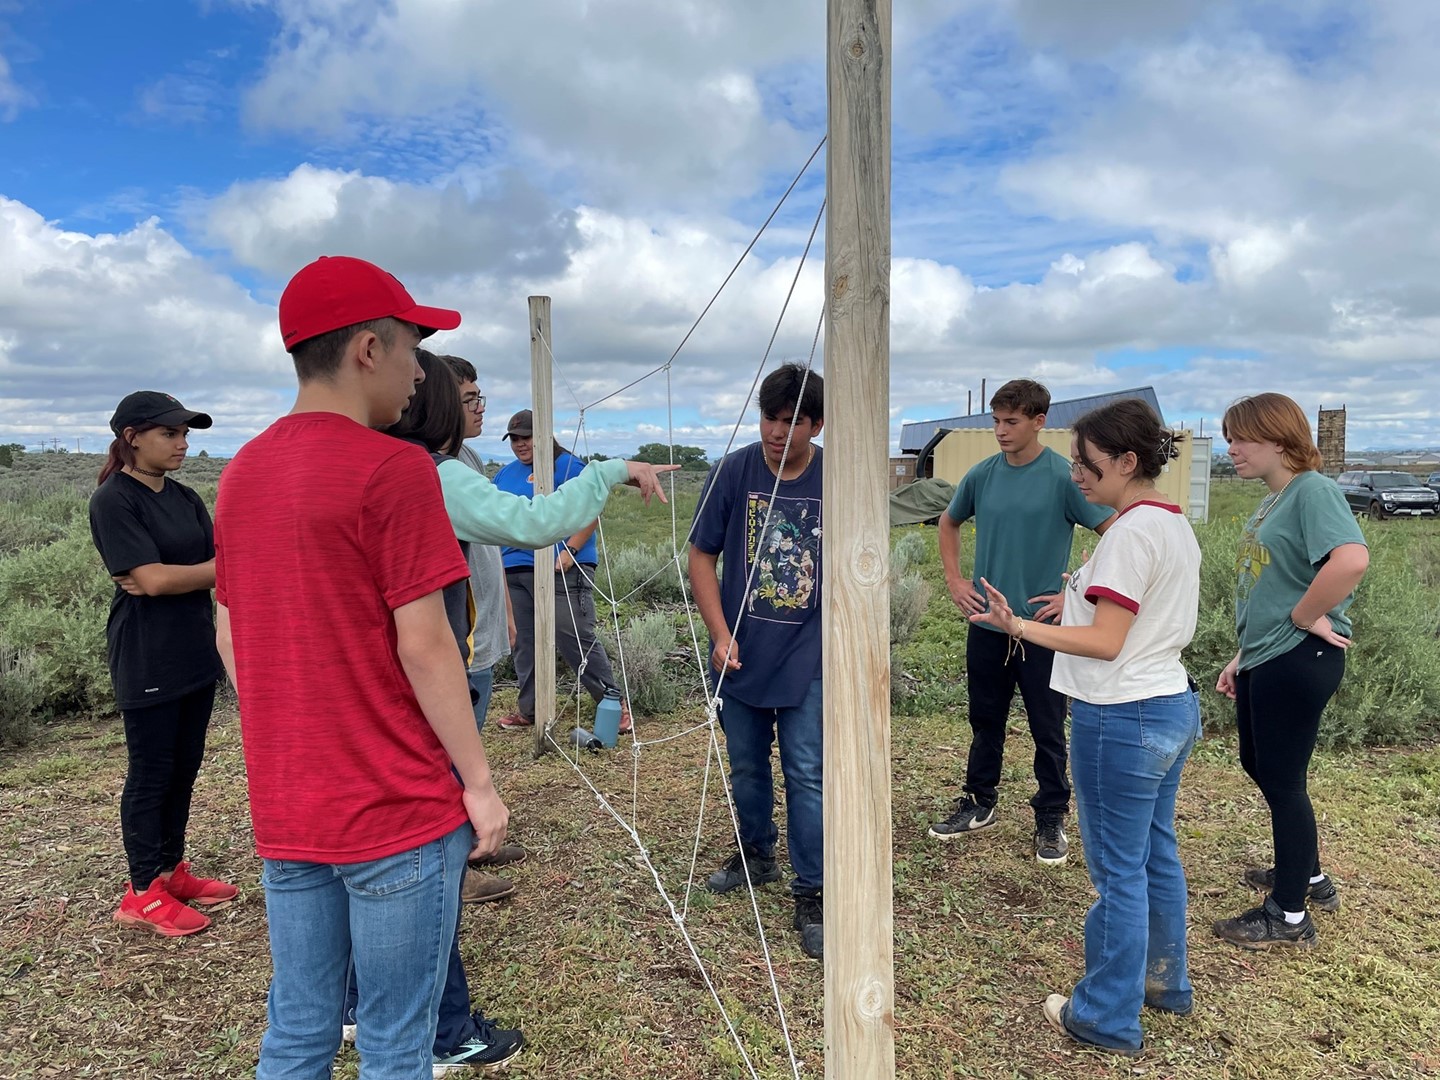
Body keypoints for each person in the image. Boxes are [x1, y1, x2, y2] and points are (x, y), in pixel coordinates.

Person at [342, 349, 677, 1072]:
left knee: (368, 856)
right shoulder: (429, 474)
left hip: (375, 685)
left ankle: (354, 1003)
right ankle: (443, 1029)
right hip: (432, 676)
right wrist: (614, 471)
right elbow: (535, 522)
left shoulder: (363, 463)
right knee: (423, 851)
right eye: (465, 397)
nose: (480, 411)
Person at [216, 255, 508, 1079]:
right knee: (393, 1041)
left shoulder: (241, 474)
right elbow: (426, 644)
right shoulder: (396, 468)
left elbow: (232, 635)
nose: (424, 372)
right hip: (395, 810)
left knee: (300, 1028)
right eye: (416, 347)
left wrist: (298, 729)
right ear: (368, 350)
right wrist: (479, 783)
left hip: (289, 808)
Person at [970, 399, 1201, 1056]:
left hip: (1121, 718)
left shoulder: (1128, 533)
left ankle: (1103, 1015)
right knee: (1155, 855)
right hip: (1168, 706)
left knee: (1118, 874)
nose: (1076, 472)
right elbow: (1134, 612)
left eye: (1087, 462)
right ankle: (1164, 981)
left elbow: (1105, 641)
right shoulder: (1167, 522)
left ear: (1127, 461)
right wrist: (1072, 595)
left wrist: (1019, 627)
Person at [929, 379, 1114, 863]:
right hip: (988, 623)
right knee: (984, 721)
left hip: (1040, 629)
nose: (1000, 430)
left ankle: (1050, 816)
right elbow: (949, 522)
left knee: (1047, 727)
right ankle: (978, 801)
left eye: (1011, 421)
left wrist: (1074, 590)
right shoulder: (982, 474)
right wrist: (954, 581)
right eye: (995, 421)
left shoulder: (1062, 476)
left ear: (1038, 422)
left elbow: (1114, 530)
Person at [1212, 392, 1368, 950]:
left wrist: (1307, 615)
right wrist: (1242, 656)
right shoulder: (1273, 499)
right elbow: (1269, 587)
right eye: (1228, 437)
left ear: (1280, 439)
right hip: (1268, 653)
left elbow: (1351, 558)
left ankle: (1289, 915)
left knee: (1281, 776)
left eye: (1242, 438)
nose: (1232, 449)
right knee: (1260, 763)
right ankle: (1308, 874)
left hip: (1300, 657)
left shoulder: (1312, 490)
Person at [688, 362, 826, 960]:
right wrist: (720, 634)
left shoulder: (836, 478)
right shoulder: (734, 471)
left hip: (810, 656)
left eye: (792, 420)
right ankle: (756, 856)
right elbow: (700, 556)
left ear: (816, 424)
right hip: (740, 657)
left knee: (807, 775)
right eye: (769, 417)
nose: (777, 431)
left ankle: (813, 892)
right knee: (746, 769)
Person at [88, 391, 236, 938]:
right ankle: (143, 890)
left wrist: (181, 573)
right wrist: (201, 571)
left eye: (185, 433)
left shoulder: (185, 497)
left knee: (185, 765)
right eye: (171, 434)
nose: (182, 443)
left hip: (193, 649)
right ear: (133, 437)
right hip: (146, 655)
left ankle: (173, 871)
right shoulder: (114, 500)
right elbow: (147, 582)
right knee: (151, 774)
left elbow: (211, 564)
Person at [493, 410, 631, 735]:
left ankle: (613, 705)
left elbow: (591, 508)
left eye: (526, 436)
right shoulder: (504, 474)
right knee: (524, 642)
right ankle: (531, 709)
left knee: (573, 637)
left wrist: (569, 552)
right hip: (515, 568)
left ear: (543, 435)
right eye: (514, 438)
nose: (520, 444)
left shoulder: (569, 466)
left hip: (562, 566)